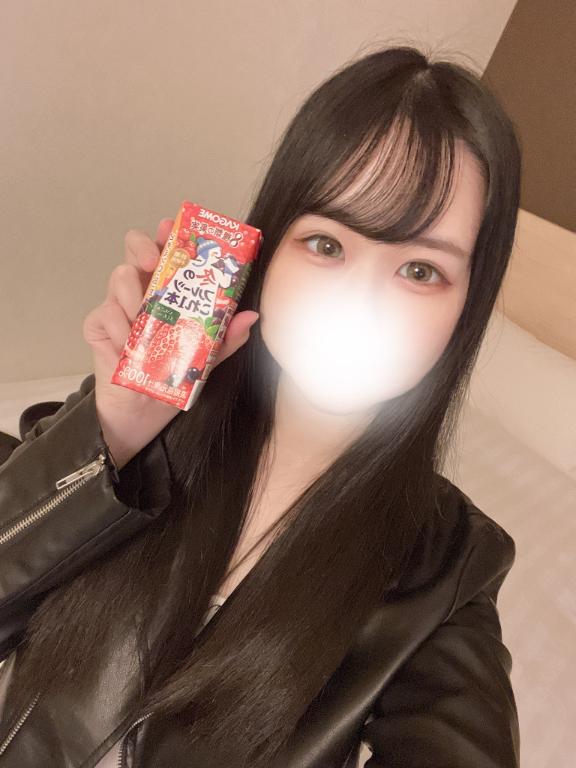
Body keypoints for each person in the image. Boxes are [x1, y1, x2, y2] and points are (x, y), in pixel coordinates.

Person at [0, 43, 521, 767]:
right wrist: (113, 434)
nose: (360, 302)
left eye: (420, 269)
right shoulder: (132, 427)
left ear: (467, 307)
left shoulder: (449, 569)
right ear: (267, 253)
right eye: (326, 244)